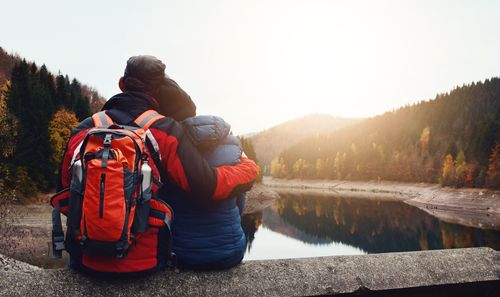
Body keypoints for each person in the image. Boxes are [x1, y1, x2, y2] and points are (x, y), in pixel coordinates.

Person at [57, 55, 258, 272]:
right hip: (143, 264)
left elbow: (64, 194)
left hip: (84, 260)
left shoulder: (85, 128)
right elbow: (208, 186)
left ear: (121, 84)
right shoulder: (164, 130)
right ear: (159, 91)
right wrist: (250, 169)